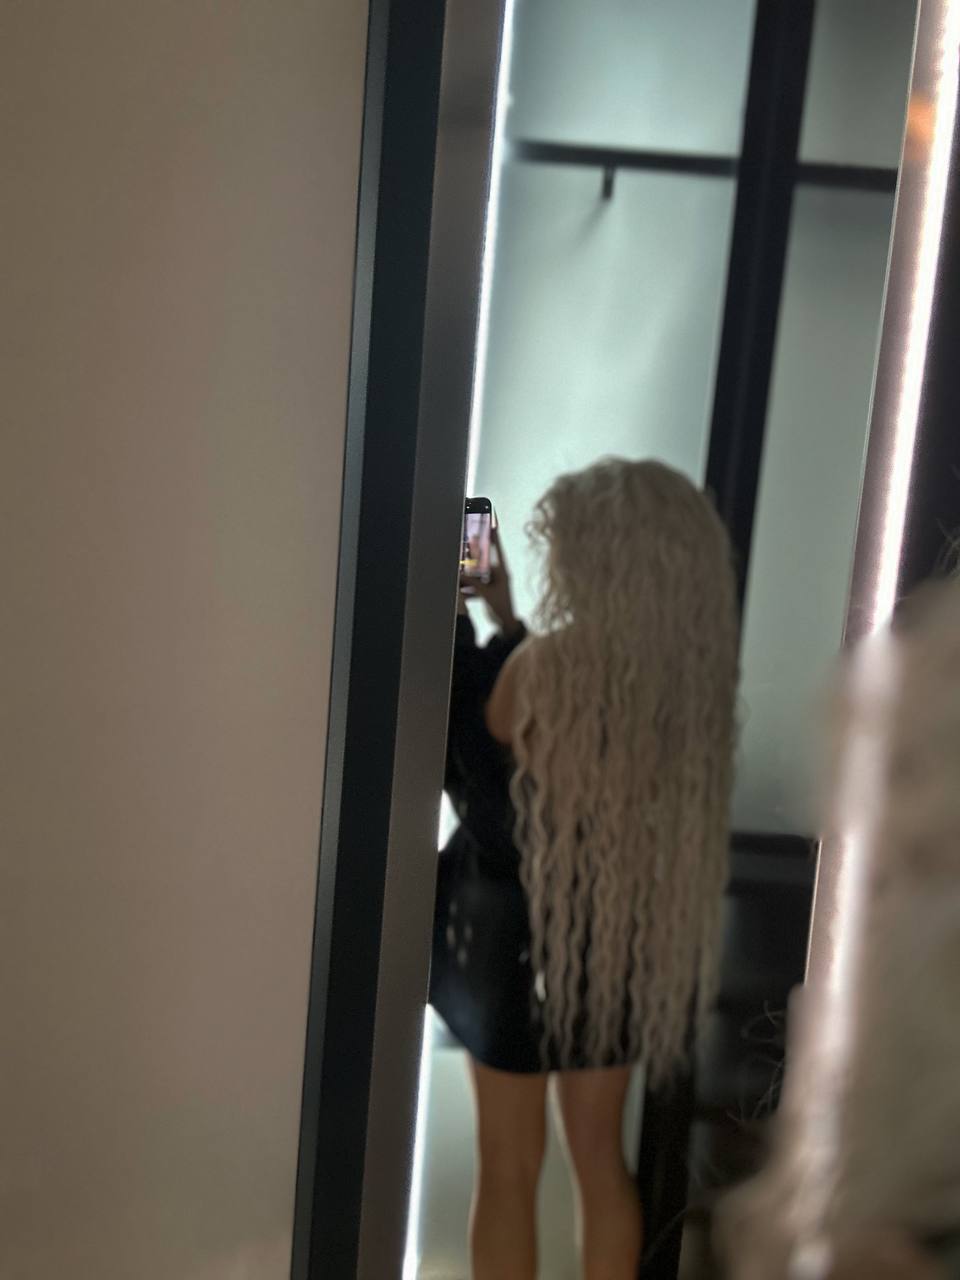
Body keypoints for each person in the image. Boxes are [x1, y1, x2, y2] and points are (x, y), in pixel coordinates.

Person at [430, 458, 739, 1280]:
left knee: (509, 1166)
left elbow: (468, 765)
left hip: (505, 939)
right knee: (602, 1165)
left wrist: (456, 617)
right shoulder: (669, 683)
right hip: (609, 937)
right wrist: (506, 617)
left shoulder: (544, 668)